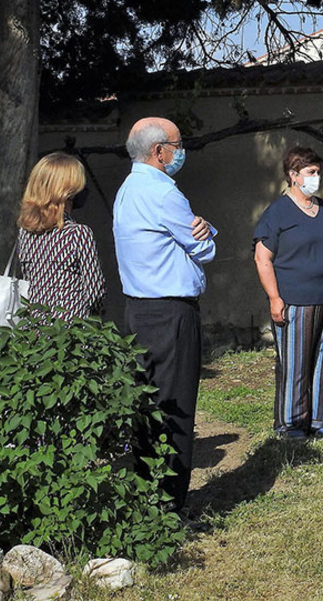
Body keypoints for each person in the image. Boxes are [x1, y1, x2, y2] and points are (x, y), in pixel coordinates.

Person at [113, 117, 217, 513]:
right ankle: (170, 506)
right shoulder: (162, 191)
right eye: (177, 144)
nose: (181, 151)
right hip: (171, 311)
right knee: (175, 408)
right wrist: (210, 233)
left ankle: (147, 495)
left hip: (138, 310)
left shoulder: (128, 188)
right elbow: (202, 247)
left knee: (147, 405)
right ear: (159, 151)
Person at [253, 146, 323, 440]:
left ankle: (322, 419)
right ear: (293, 176)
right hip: (295, 300)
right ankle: (291, 424)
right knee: (295, 363)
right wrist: (274, 297)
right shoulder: (277, 213)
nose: (316, 178)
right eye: (310, 172)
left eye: (318, 172)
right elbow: (262, 258)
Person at [16, 152, 105, 321]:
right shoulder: (78, 234)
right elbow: (95, 293)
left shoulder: (25, 232)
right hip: (71, 333)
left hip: (34, 329)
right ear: (68, 193)